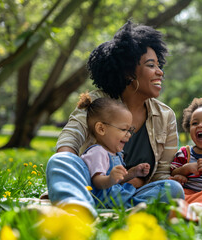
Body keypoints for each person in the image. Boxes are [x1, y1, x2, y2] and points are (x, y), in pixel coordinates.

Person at [46, 21, 184, 216]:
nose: (160, 72)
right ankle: (77, 207)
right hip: (90, 187)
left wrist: (132, 179)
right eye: (151, 65)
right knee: (60, 160)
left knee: (172, 188)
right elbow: (70, 140)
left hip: (130, 194)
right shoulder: (98, 101)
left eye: (159, 65)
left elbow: (161, 174)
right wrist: (72, 166)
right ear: (128, 73)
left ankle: (132, 212)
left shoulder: (166, 116)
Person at [77, 93, 154, 208]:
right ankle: (143, 205)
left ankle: (141, 204)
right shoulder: (97, 152)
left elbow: (119, 180)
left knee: (171, 186)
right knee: (164, 192)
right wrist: (110, 179)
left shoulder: (116, 154)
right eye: (123, 129)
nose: (128, 135)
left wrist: (133, 172)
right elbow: (97, 181)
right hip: (106, 199)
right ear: (101, 129)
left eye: (130, 130)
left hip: (120, 194)